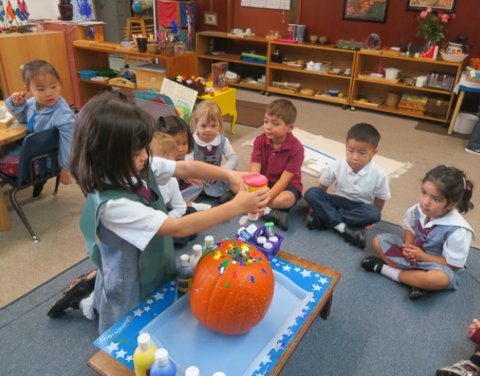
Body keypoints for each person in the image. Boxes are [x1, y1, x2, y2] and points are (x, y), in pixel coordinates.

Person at [47, 92, 269, 333]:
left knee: (155, 294)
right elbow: (177, 227)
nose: (145, 155)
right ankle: (84, 302)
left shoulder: (135, 163)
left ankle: (91, 290)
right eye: (136, 152)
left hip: (150, 254)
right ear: (106, 155)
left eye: (143, 148)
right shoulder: (113, 206)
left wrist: (230, 175)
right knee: (124, 317)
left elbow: (184, 166)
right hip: (127, 274)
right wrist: (236, 206)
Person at [361, 165, 474, 300]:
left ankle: (385, 270)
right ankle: (415, 280)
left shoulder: (458, 230)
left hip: (438, 264)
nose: (425, 202)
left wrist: (423, 257)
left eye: (436, 199)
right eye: (424, 192)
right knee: (378, 241)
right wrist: (407, 246)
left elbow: (454, 265)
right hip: (414, 255)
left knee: (439, 279)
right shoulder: (419, 209)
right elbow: (410, 228)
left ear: (451, 204)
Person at [304, 123, 390, 249]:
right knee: (311, 193)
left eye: (362, 153)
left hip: (359, 207)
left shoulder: (379, 174)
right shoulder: (337, 164)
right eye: (350, 151)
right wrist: (315, 205)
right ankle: (343, 227)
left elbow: (380, 200)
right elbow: (322, 187)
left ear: (374, 153)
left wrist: (371, 220)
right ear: (345, 146)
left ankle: (325, 219)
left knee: (374, 214)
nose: (354, 157)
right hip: (337, 201)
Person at [0, 59, 74, 196]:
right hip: (31, 151)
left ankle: (36, 180)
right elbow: (23, 120)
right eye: (41, 89)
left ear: (59, 84)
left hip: (41, 161)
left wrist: (65, 167)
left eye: (53, 86)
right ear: (28, 90)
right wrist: (17, 103)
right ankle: (37, 181)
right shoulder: (33, 102)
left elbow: (68, 142)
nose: (49, 93)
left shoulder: (63, 115)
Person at [248, 99, 304, 231]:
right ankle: (268, 212)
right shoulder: (259, 140)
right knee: (237, 182)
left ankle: (256, 206)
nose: (268, 126)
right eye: (266, 121)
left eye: (275, 123)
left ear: (289, 127)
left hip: (286, 187)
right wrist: (253, 190)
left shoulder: (297, 149)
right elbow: (254, 171)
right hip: (264, 182)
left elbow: (284, 181)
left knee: (286, 200)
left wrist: (263, 198)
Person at [150, 131, 196, 246]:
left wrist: (168, 221)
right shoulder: (143, 184)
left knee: (191, 215)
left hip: (166, 216)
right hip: (149, 221)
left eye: (172, 163)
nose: (168, 169)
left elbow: (180, 207)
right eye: (163, 164)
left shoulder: (171, 180)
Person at [187, 100, 239, 199]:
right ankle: (194, 200)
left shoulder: (223, 140)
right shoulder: (192, 140)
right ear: (195, 124)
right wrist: (193, 175)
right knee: (185, 181)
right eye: (203, 126)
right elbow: (188, 161)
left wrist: (220, 172)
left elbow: (234, 159)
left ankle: (230, 195)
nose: (208, 130)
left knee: (234, 175)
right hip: (198, 177)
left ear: (219, 125)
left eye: (213, 126)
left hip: (216, 177)